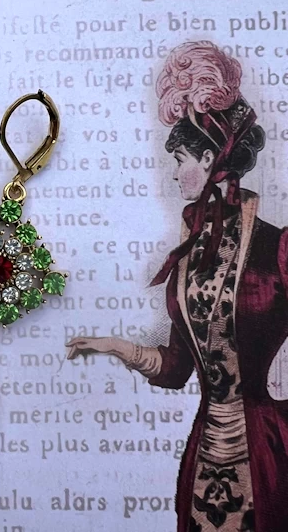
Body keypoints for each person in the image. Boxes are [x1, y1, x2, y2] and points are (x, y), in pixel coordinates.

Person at [66, 41, 288, 532]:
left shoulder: (277, 248)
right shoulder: (190, 257)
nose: (174, 174)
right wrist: (115, 347)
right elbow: (175, 369)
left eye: (181, 158)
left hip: (267, 448)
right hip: (204, 452)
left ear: (210, 158)